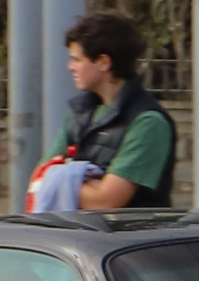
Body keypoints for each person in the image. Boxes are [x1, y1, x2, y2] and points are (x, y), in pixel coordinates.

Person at [52, 12, 177, 209]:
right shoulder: (79, 113)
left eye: (77, 60)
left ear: (103, 62)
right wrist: (85, 184)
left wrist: (61, 180)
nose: (70, 67)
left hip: (128, 238)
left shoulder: (148, 122)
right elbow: (39, 178)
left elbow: (106, 201)